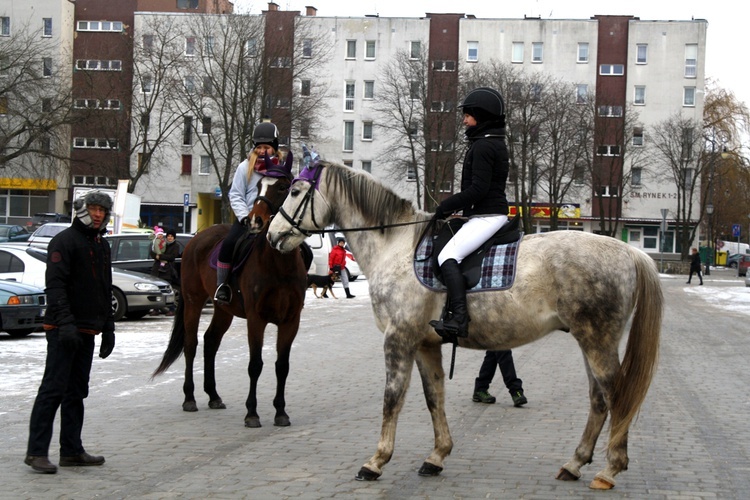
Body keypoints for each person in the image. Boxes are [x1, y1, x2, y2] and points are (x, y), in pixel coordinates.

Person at [25, 190, 116, 474]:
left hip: (88, 329)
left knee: (76, 392)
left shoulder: (101, 244)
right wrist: (64, 323)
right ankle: (36, 452)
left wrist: (108, 326)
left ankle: (72, 450)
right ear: (82, 209)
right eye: (94, 208)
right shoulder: (64, 241)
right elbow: (55, 286)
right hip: (63, 329)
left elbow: (104, 286)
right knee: (53, 389)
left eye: (103, 210)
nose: (98, 214)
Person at [429, 87, 510, 339]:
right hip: (483, 214)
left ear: (481, 115)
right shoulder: (489, 142)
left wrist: (445, 206)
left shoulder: (485, 146)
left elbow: (478, 189)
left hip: (489, 216)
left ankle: (459, 319)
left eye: (468, 115)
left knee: (448, 255)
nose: (464, 120)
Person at [214, 120, 281, 304]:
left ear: (274, 148)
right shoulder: (245, 167)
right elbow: (235, 195)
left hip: (274, 220)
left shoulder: (282, 168)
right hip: (249, 218)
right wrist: (244, 217)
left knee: (301, 249)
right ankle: (223, 286)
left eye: (266, 147)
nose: (261, 151)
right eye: (258, 147)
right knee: (229, 244)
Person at [150, 228, 180, 315]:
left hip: (167, 271)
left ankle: (171, 308)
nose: (170, 238)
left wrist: (160, 256)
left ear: (174, 237)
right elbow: (152, 253)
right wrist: (156, 256)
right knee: (156, 290)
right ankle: (156, 309)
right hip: (157, 270)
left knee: (167, 291)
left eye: (171, 236)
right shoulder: (161, 243)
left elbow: (172, 257)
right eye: (168, 236)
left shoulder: (175, 246)